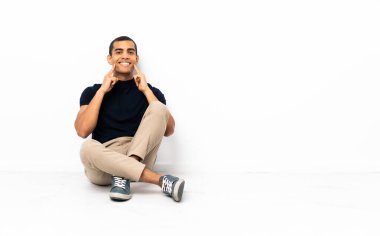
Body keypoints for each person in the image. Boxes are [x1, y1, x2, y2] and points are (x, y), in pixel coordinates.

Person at [74, 36, 185, 202]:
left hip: (139, 155)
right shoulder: (93, 91)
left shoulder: (151, 92)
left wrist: (146, 90)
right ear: (110, 59)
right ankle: (160, 180)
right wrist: (102, 91)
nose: (125, 56)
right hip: (105, 165)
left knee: (158, 107)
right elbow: (82, 131)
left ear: (136, 59)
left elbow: (169, 130)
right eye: (119, 52)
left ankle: (124, 174)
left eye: (130, 52)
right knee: (87, 147)